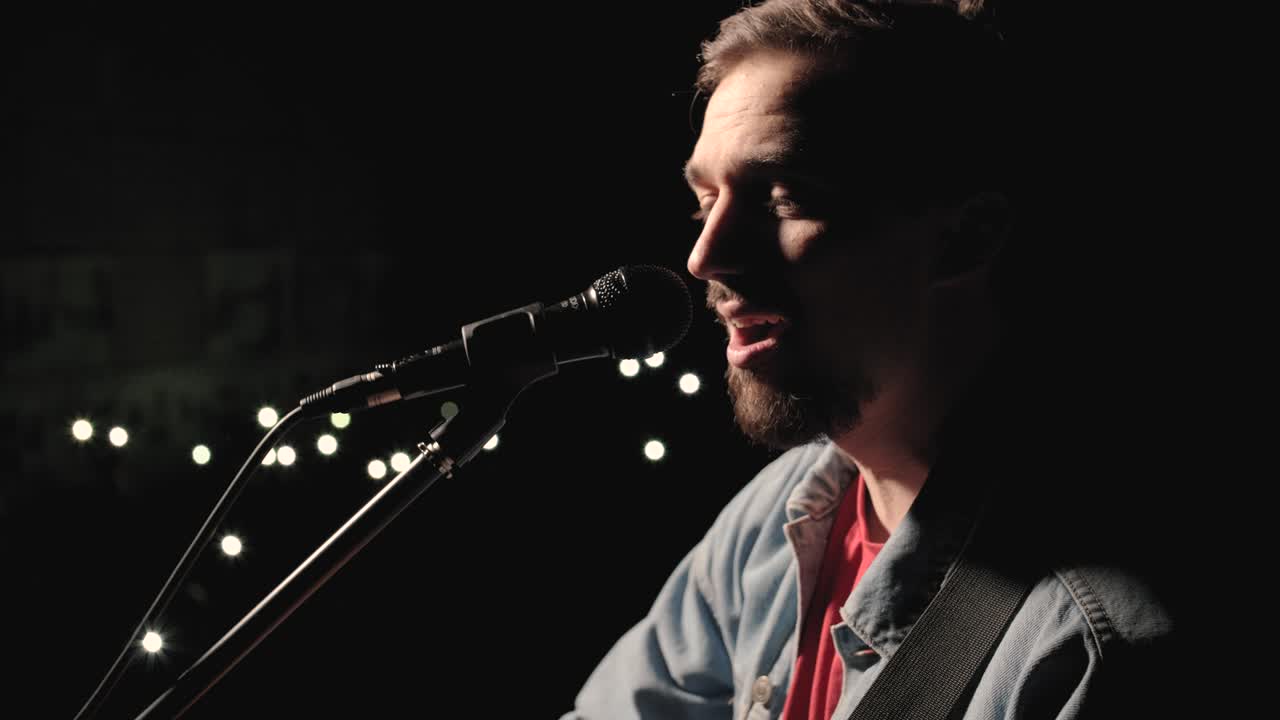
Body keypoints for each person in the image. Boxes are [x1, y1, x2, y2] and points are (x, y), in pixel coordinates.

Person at [564, 1, 1176, 718]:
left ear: (966, 236)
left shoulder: (1085, 640)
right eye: (706, 202)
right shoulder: (780, 517)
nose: (706, 257)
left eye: (782, 197)